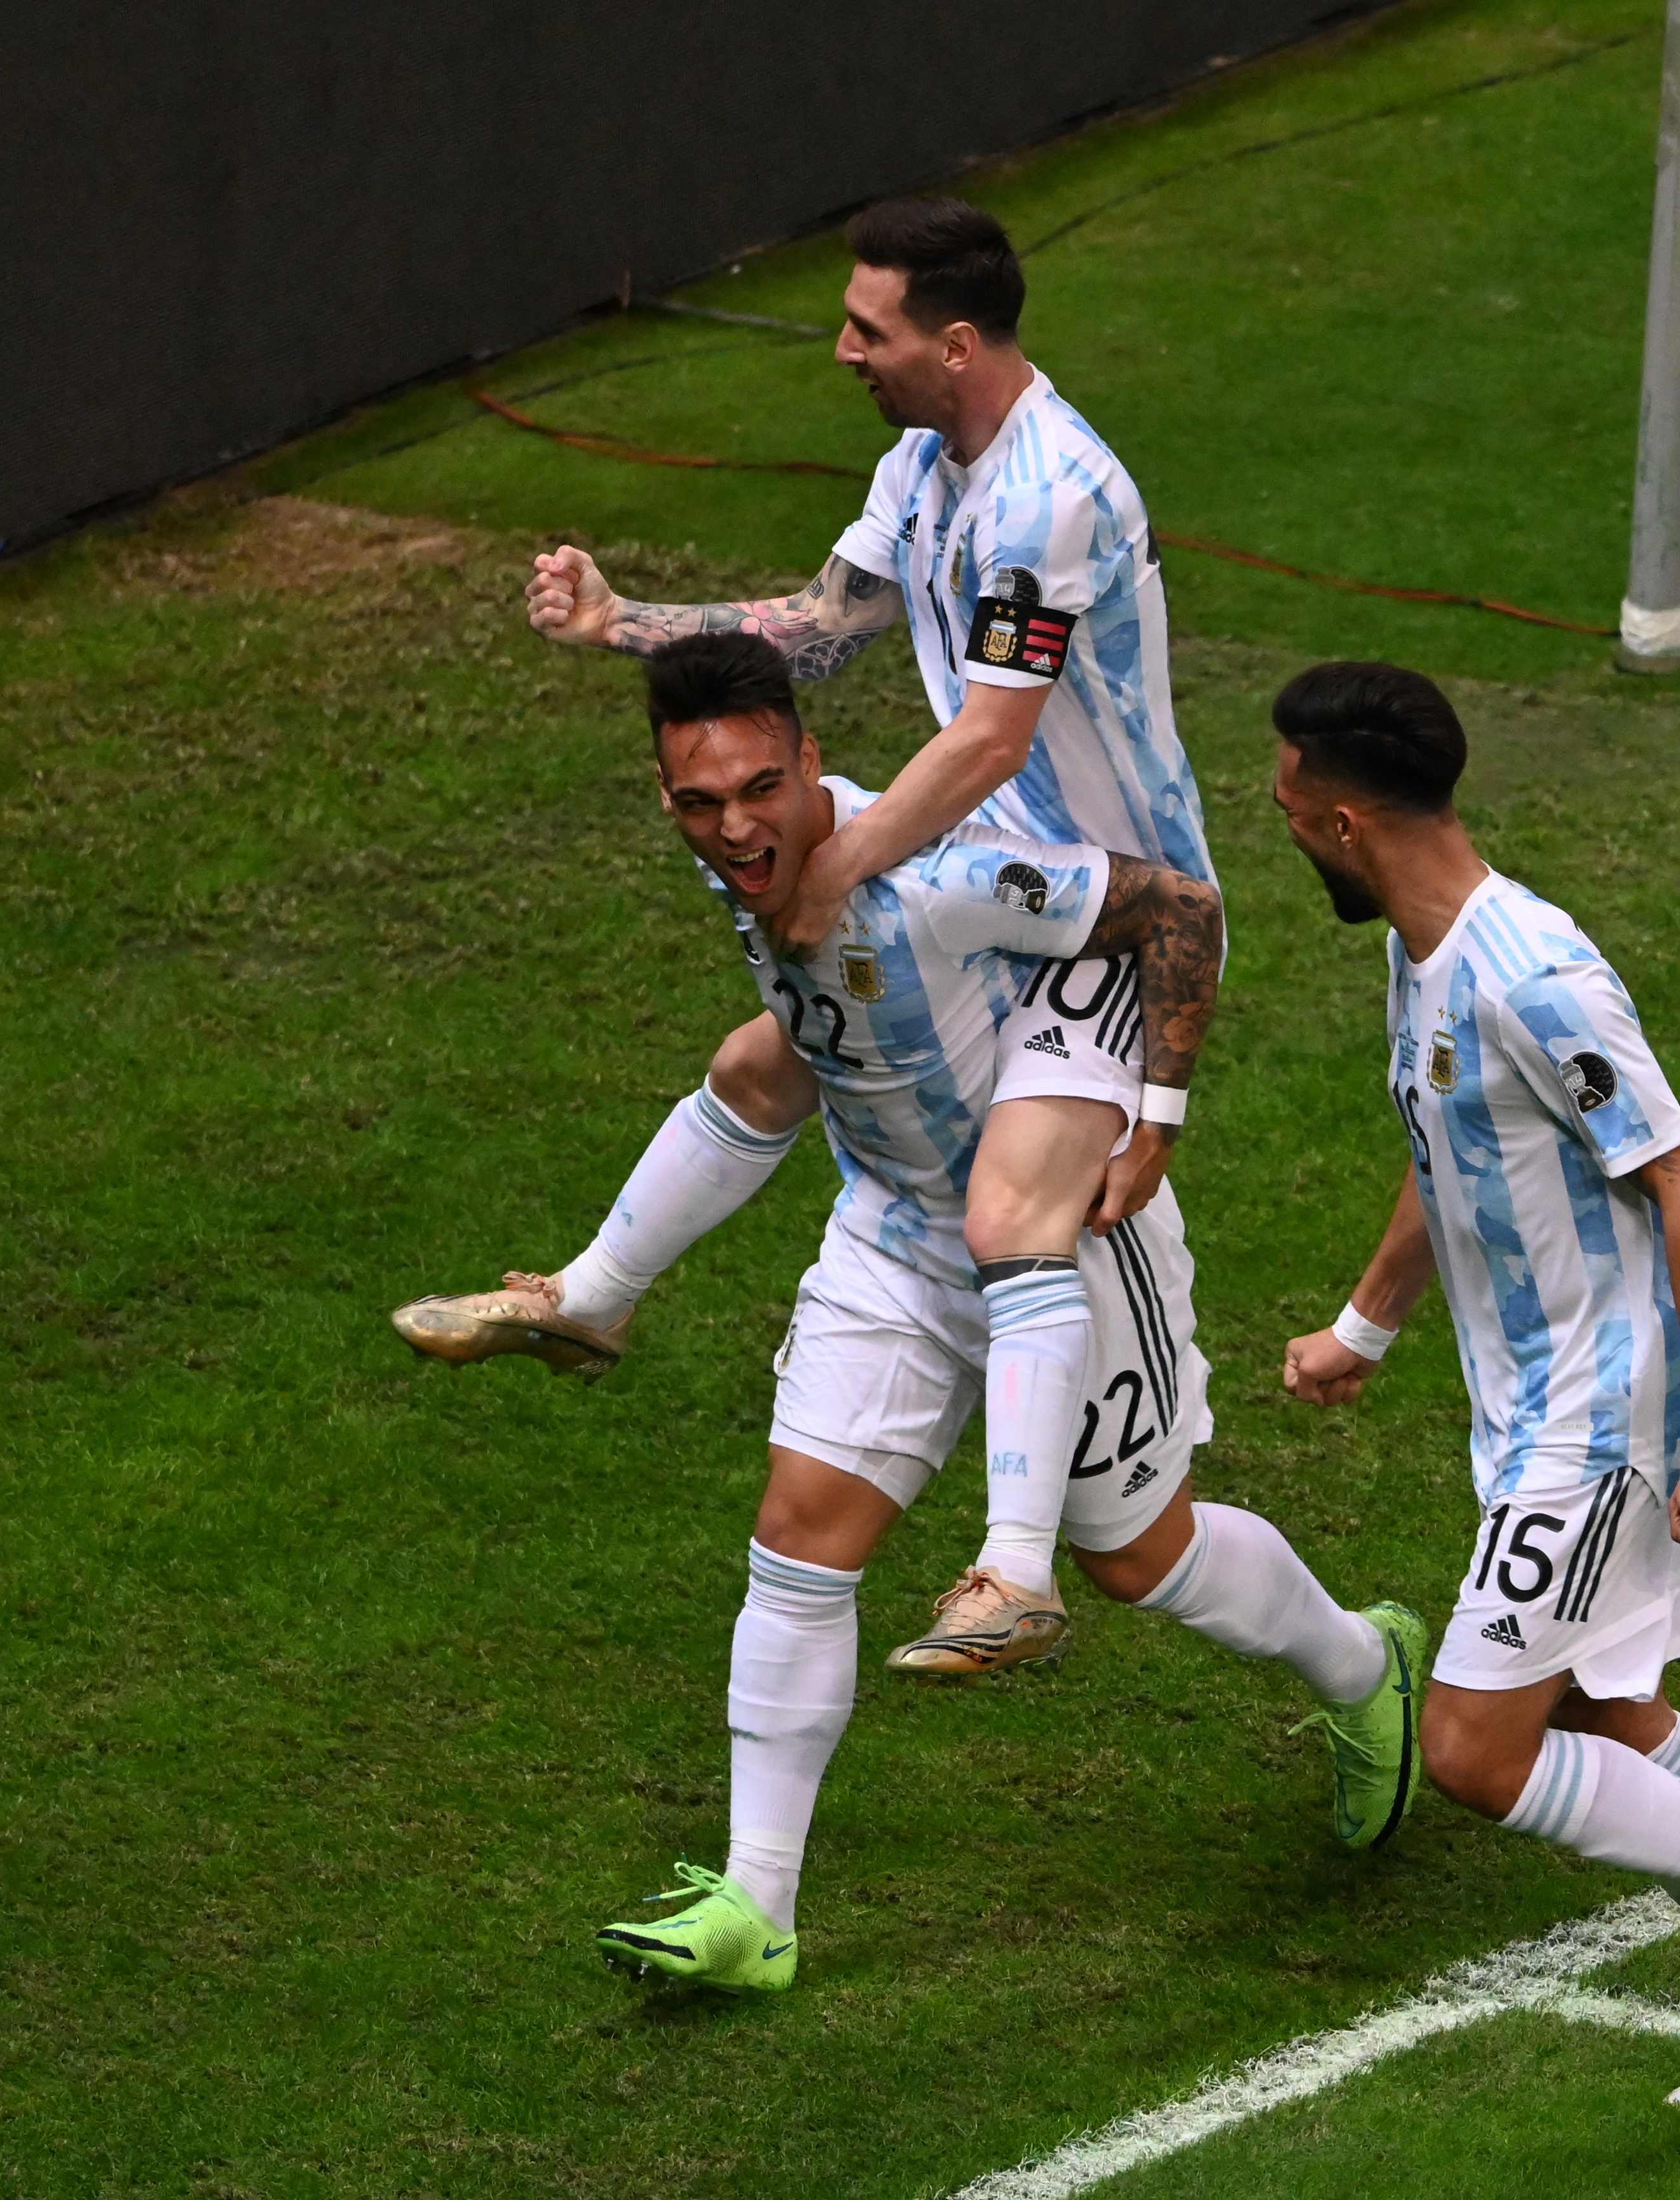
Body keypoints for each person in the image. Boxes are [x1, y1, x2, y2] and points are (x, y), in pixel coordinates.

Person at [457, 635, 1420, 1991]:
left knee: (1134, 1553)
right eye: (696, 800)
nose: (734, 825)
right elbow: (788, 1052)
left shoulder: (945, 878)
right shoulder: (735, 861)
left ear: (805, 760)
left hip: (1069, 1235)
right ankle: (757, 1903)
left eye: (758, 787)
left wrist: (1153, 1117)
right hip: (897, 1229)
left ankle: (1363, 1662)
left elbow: (1179, 909)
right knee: (801, 1530)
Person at [510, 195, 1206, 1664]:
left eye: (866, 329)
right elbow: (819, 627)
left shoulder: (1051, 495)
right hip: (999, 873)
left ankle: (1017, 1571)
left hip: (1111, 908)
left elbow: (1001, 736)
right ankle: (594, 1294)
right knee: (784, 1052)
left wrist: (846, 864)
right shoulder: (921, 463)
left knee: (1008, 1214)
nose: (840, 349)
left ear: (954, 343)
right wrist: (623, 624)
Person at [1267, 662, 1680, 2108]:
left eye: (1291, 808)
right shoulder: (1418, 957)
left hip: (1600, 1420)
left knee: (1479, 1749)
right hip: (1529, 1406)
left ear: (1348, 821)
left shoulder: (1533, 973)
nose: (1287, 828)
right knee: (1604, 1719)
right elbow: (1452, 1150)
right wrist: (1364, 1328)